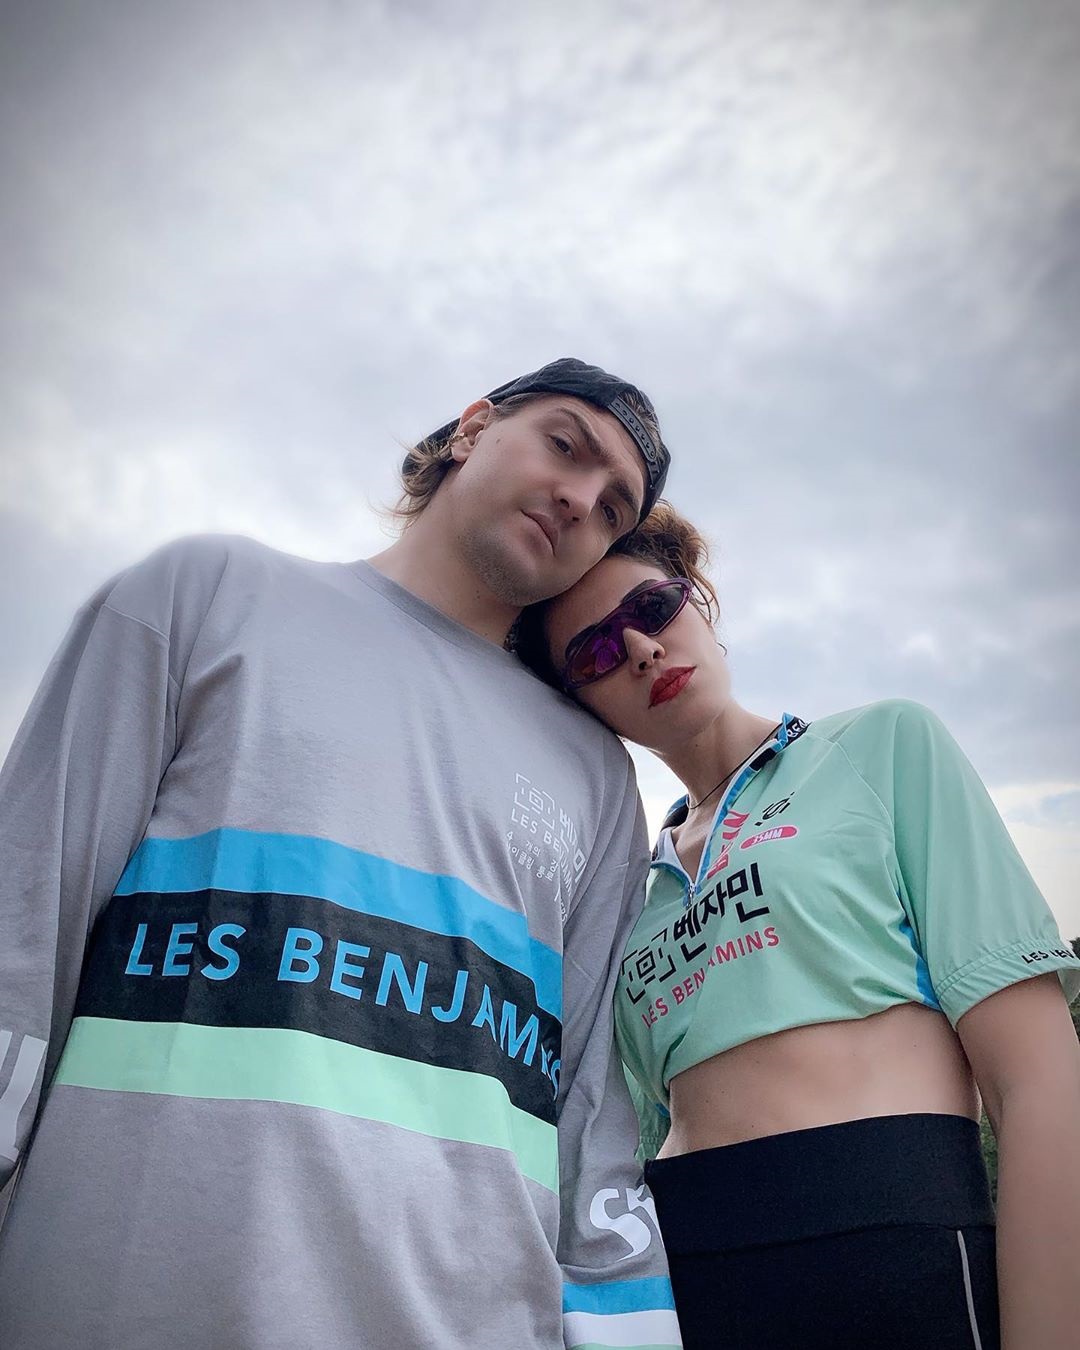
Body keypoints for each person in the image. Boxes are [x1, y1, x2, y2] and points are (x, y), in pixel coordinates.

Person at [0, 359, 684, 1350]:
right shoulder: (204, 594)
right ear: (472, 427)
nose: (581, 498)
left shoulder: (595, 775)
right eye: (565, 444)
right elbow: (25, 918)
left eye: (614, 507)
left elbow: (591, 1110)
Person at [516, 502, 1080, 1350]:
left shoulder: (882, 746)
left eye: (652, 608)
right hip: (689, 1274)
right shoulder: (630, 886)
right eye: (594, 653)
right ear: (582, 705)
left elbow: (1038, 1079)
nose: (638, 648)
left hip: (893, 1244)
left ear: (700, 602)